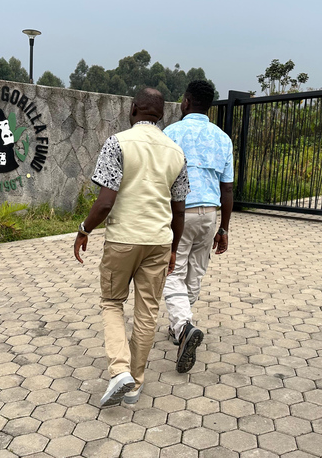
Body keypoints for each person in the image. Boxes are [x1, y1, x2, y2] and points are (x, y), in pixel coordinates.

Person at [74, 87, 189, 407]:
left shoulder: (118, 143)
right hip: (159, 242)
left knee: (112, 302)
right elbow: (179, 210)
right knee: (147, 312)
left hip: (123, 240)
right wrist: (174, 248)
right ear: (162, 114)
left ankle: (119, 370)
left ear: (133, 108)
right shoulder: (176, 151)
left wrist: (84, 229)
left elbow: (105, 202)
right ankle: (135, 384)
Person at [162, 80, 234, 374]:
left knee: (171, 271)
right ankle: (180, 324)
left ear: (187, 102)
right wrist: (224, 229)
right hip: (210, 214)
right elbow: (227, 188)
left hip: (180, 212)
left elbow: (160, 178)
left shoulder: (171, 133)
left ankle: (182, 326)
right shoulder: (223, 139)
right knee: (195, 271)